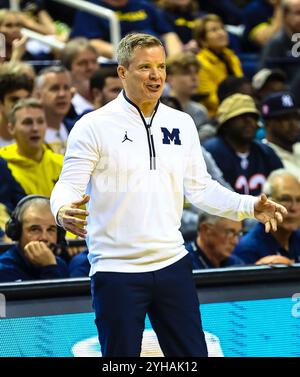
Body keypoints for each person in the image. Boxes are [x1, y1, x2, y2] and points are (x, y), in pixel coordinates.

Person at [50, 32, 287, 357]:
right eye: (145, 67)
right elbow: (67, 185)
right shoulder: (93, 126)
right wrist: (62, 209)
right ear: (122, 72)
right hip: (116, 269)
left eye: (161, 67)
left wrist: (249, 206)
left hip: (172, 264)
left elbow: (200, 189)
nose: (156, 75)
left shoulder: (182, 123)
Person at [203, 93, 284, 196]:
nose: (249, 121)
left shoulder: (266, 152)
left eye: (252, 117)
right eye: (242, 116)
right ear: (225, 124)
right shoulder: (211, 151)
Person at [233, 169, 300, 265]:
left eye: (299, 200)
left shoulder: (297, 237)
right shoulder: (247, 249)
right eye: (285, 199)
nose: (294, 207)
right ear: (266, 202)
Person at [0, 98, 63, 196]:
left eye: (40, 121)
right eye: (27, 122)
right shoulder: (3, 168)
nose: (35, 128)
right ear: (11, 128)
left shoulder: (62, 164)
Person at [0, 195, 69, 282]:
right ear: (17, 232)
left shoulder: (60, 265)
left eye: (50, 229)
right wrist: (49, 268)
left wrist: (50, 266)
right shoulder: (4, 269)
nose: (44, 237)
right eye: (35, 229)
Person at [193, 14, 243, 117]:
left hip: (239, 109)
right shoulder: (200, 63)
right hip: (216, 115)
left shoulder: (232, 57)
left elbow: (241, 86)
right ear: (203, 40)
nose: (221, 33)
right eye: (214, 30)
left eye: (222, 28)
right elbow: (211, 100)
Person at [35, 66, 73, 155]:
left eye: (66, 88)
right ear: (38, 96)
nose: (62, 94)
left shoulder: (77, 128)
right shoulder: (31, 134)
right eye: (55, 88)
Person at [261, 91, 300, 179]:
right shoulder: (262, 156)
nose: (294, 124)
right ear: (268, 123)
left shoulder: (298, 147)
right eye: (286, 118)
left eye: (296, 117)